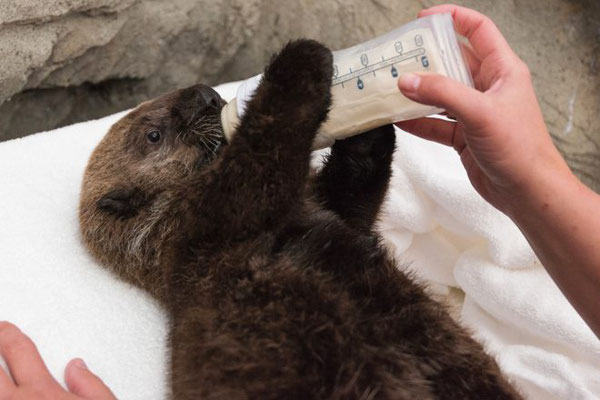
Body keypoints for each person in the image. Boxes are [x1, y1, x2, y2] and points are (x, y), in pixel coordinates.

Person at [1, 4, 598, 399]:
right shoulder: (196, 244)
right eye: (156, 138)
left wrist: (360, 155)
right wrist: (295, 85)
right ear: (127, 206)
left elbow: (329, 230)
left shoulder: (250, 223)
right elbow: (252, 197)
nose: (203, 102)